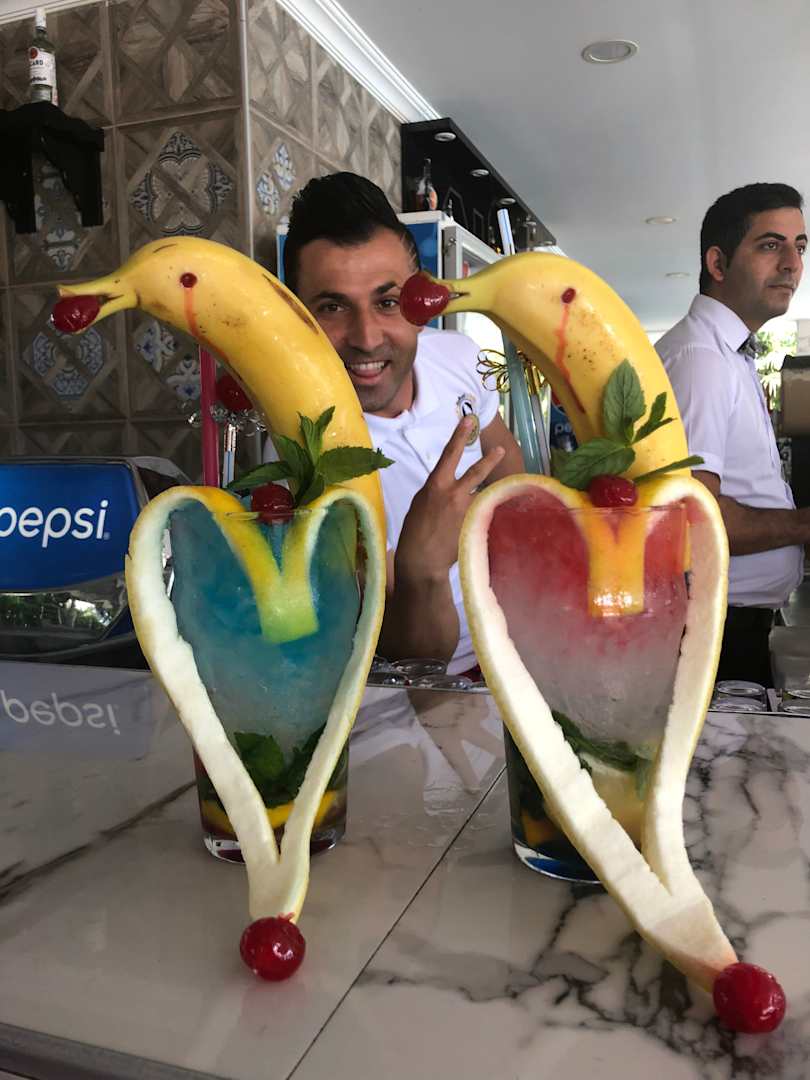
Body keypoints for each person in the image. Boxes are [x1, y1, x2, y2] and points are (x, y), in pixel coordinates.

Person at [277, 172, 524, 675]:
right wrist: (422, 571)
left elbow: (506, 462)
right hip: (428, 685)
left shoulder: (458, 355)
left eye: (387, 302)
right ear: (298, 317)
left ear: (418, 302)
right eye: (332, 307)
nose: (367, 338)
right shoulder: (301, 457)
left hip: (519, 639)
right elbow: (406, 656)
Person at [656, 182, 808, 685]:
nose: (792, 264)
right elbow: (693, 519)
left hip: (731, 623)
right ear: (718, 264)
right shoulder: (700, 359)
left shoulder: (728, 353)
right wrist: (803, 525)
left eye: (800, 246)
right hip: (711, 630)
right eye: (770, 245)